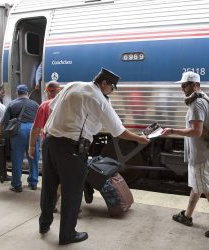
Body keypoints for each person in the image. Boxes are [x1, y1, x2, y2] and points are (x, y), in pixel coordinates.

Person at [39, 68, 150, 245]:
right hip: (71, 149)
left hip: (50, 142)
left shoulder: (72, 85)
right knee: (72, 192)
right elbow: (119, 130)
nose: (111, 91)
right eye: (112, 88)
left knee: (49, 186)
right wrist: (140, 139)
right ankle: (67, 234)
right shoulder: (98, 99)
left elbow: (53, 106)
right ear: (104, 83)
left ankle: (44, 224)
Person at [161, 71, 209, 238]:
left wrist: (172, 130)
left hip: (202, 153)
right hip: (205, 151)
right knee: (198, 185)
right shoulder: (204, 99)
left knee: (206, 187)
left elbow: (196, 131)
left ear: (193, 85)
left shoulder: (196, 104)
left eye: (184, 85)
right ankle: (187, 216)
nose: (182, 88)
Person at [0, 84, 40, 193]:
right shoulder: (35, 104)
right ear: (27, 93)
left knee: (17, 159)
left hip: (18, 131)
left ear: (17, 93)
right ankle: (33, 183)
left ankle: (17, 185)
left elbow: (3, 122)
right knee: (33, 157)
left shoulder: (12, 104)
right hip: (33, 130)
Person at [28, 81, 62, 212]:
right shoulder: (66, 104)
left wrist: (31, 146)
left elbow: (36, 128)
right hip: (67, 144)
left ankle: (50, 205)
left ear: (47, 91)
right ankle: (69, 205)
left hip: (50, 144)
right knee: (64, 176)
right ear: (59, 90)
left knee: (50, 177)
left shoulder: (45, 105)